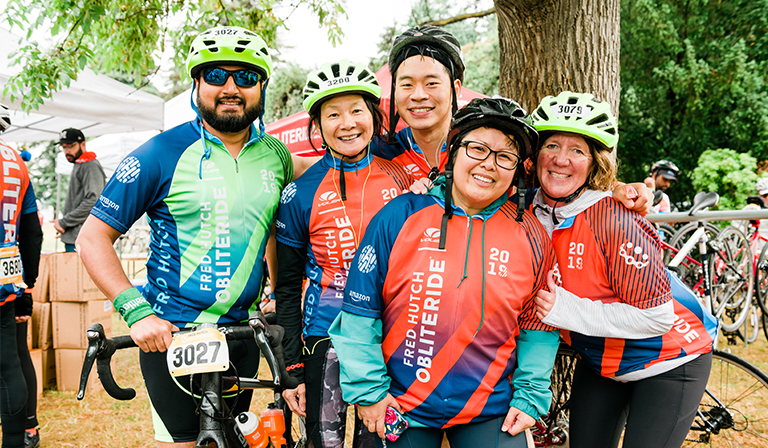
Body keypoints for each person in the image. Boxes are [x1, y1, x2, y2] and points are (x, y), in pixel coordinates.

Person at [77, 26, 294, 448]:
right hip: (172, 335)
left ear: (262, 85)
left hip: (244, 335)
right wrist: (136, 312)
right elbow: (91, 238)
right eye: (216, 75)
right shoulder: (160, 153)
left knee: (234, 442)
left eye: (245, 77)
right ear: (197, 83)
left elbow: (288, 212)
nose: (231, 88)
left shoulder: (277, 154)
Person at [329, 97, 559, 447]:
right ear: (453, 153)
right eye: (477, 148)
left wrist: (530, 396)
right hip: (402, 405)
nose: (489, 165)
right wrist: (369, 391)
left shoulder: (532, 235)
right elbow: (361, 311)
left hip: (490, 408)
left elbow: (537, 324)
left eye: (505, 156)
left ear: (517, 170)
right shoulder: (400, 215)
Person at [529, 91, 717, 448]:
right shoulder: (527, 207)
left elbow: (657, 318)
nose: (561, 160)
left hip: (668, 358)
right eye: (551, 145)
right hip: (600, 359)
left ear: (594, 163)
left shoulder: (613, 218)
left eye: (578, 151)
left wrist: (565, 310)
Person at [275, 59, 413, 448]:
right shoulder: (300, 193)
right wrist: (292, 368)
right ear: (317, 126)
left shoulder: (403, 177)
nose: (347, 122)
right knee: (327, 444)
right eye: (333, 114)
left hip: (393, 336)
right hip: (325, 337)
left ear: (374, 116)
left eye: (357, 110)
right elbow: (286, 287)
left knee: (379, 443)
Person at [372, 25, 652, 214]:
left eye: (432, 83)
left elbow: (559, 173)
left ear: (456, 89)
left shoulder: (493, 145)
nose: (418, 95)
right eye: (406, 85)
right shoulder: (380, 153)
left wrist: (619, 189)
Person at [0, 103, 44, 448]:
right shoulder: (15, 160)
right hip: (6, 278)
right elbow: (32, 229)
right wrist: (27, 281)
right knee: (9, 364)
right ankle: (18, 438)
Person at [52, 128, 105, 252]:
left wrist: (64, 222)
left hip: (82, 239)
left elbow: (94, 201)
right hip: (76, 236)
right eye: (64, 147)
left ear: (82, 144)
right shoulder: (80, 163)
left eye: (70, 146)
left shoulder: (89, 165)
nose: (67, 151)